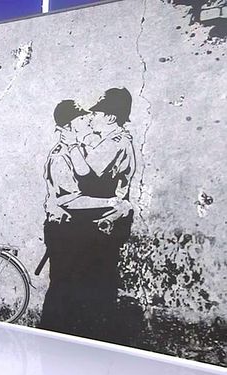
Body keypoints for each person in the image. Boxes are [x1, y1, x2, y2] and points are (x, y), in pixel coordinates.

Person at [40, 88, 136, 343]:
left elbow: (89, 178)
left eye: (94, 114)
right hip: (65, 231)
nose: (90, 119)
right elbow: (71, 200)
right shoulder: (62, 156)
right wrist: (114, 203)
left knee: (88, 295)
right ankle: (53, 346)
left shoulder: (114, 143)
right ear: (69, 126)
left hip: (89, 232)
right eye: (84, 118)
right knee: (63, 295)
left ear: (111, 117)